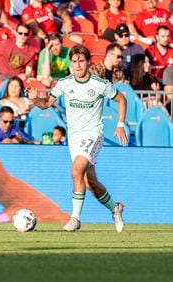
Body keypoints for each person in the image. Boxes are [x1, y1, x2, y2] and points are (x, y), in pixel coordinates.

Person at [27, 44, 127, 233]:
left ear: (88, 62)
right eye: (75, 61)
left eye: (81, 61)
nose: (78, 65)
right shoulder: (65, 83)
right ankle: (115, 208)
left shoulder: (99, 84)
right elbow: (46, 103)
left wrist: (120, 124)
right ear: (71, 63)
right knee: (91, 184)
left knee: (76, 170)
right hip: (74, 138)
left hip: (93, 134)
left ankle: (75, 218)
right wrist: (34, 99)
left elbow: (121, 99)